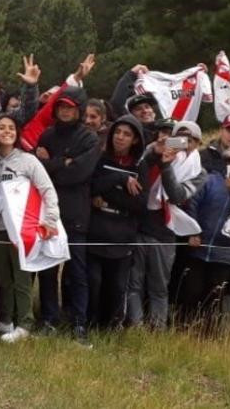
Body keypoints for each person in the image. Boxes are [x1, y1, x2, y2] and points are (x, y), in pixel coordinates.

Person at [33, 85, 100, 346]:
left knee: (77, 271)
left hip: (77, 213)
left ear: (79, 110)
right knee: (48, 268)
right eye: (61, 106)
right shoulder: (47, 134)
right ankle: (49, 318)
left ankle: (78, 322)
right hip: (49, 211)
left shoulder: (89, 138)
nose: (64, 111)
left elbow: (79, 173)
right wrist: (65, 161)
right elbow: (39, 170)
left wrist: (54, 163)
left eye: (69, 107)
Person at [0, 115, 59, 342]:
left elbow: (47, 190)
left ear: (17, 132)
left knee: (22, 277)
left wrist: (51, 219)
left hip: (20, 231)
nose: (6, 131)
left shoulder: (28, 161)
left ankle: (25, 323)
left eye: (11, 128)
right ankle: (6, 319)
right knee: (3, 278)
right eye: (1, 128)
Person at [127, 121, 205, 329]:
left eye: (190, 139)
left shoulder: (199, 171)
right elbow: (140, 171)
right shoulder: (153, 153)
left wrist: (166, 166)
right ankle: (136, 329)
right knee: (133, 283)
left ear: (198, 143)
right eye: (180, 137)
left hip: (166, 232)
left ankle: (157, 330)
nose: (185, 143)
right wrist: (155, 154)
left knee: (159, 287)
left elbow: (178, 196)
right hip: (141, 225)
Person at [176, 145, 230, 330]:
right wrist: (193, 231)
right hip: (198, 249)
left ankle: (208, 337)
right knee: (191, 293)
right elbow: (192, 204)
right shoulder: (210, 181)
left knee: (214, 298)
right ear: (227, 164)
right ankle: (182, 332)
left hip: (224, 255)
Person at [87, 115, 146, 330]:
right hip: (96, 233)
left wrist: (106, 196)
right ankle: (89, 325)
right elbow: (91, 187)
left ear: (136, 140)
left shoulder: (140, 167)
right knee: (93, 283)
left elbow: (139, 203)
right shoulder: (99, 160)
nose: (120, 138)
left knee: (117, 286)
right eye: (118, 132)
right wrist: (120, 180)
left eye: (127, 134)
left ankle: (111, 328)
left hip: (122, 236)